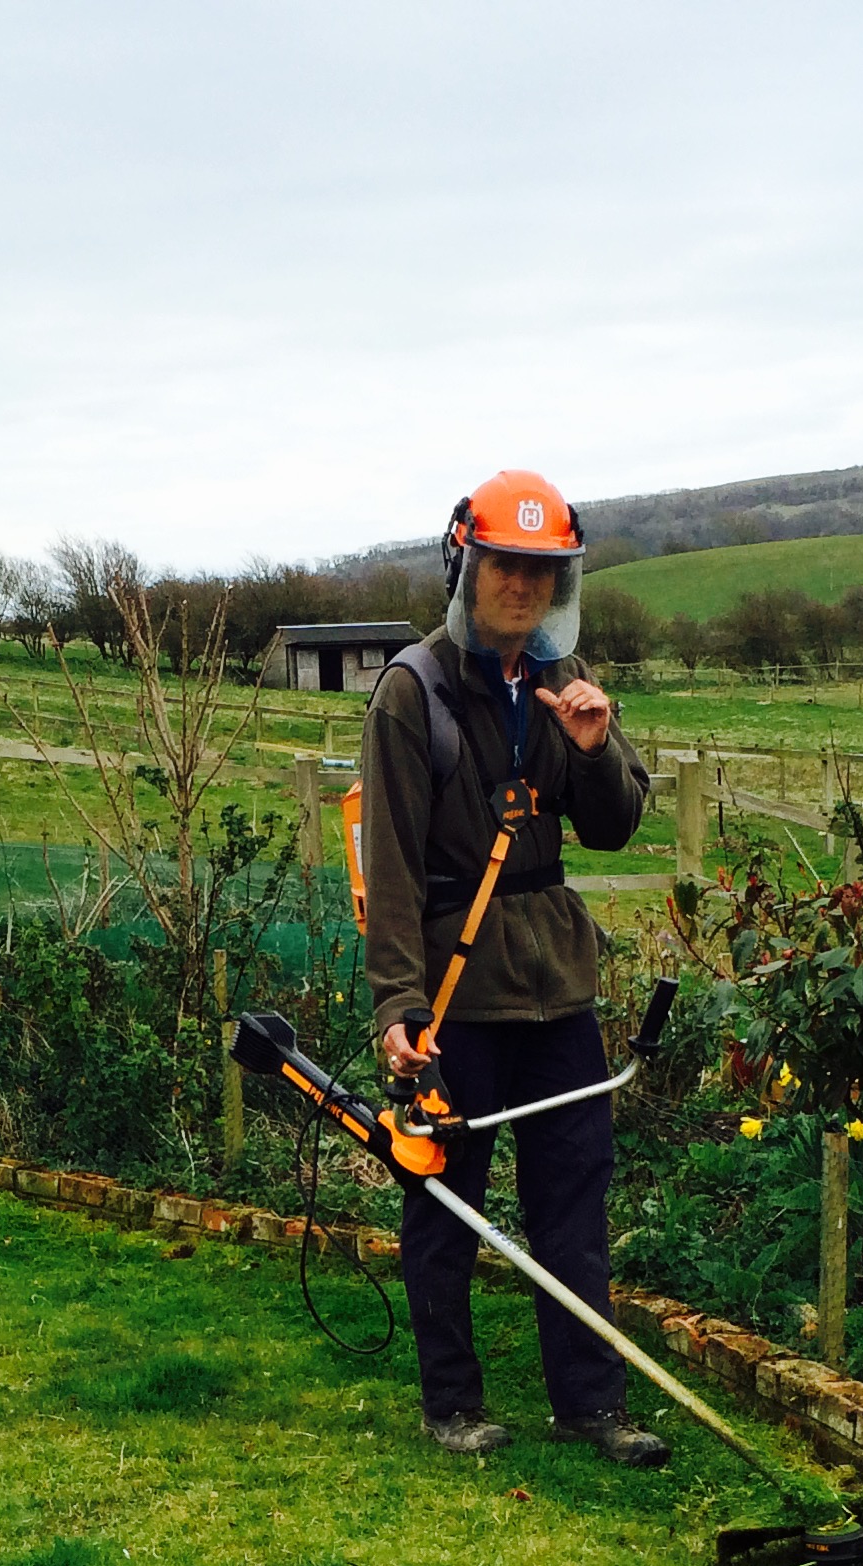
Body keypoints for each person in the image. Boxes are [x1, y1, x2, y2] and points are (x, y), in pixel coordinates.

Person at [358, 469, 663, 1463]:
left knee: (573, 1199)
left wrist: (596, 746)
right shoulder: (412, 693)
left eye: (542, 570)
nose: (523, 587)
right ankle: (452, 1405)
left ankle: (591, 1405)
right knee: (446, 1201)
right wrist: (398, 1004)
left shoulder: (564, 681)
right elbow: (392, 868)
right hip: (455, 993)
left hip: (556, 987)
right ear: (466, 566)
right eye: (504, 566)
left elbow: (614, 825)